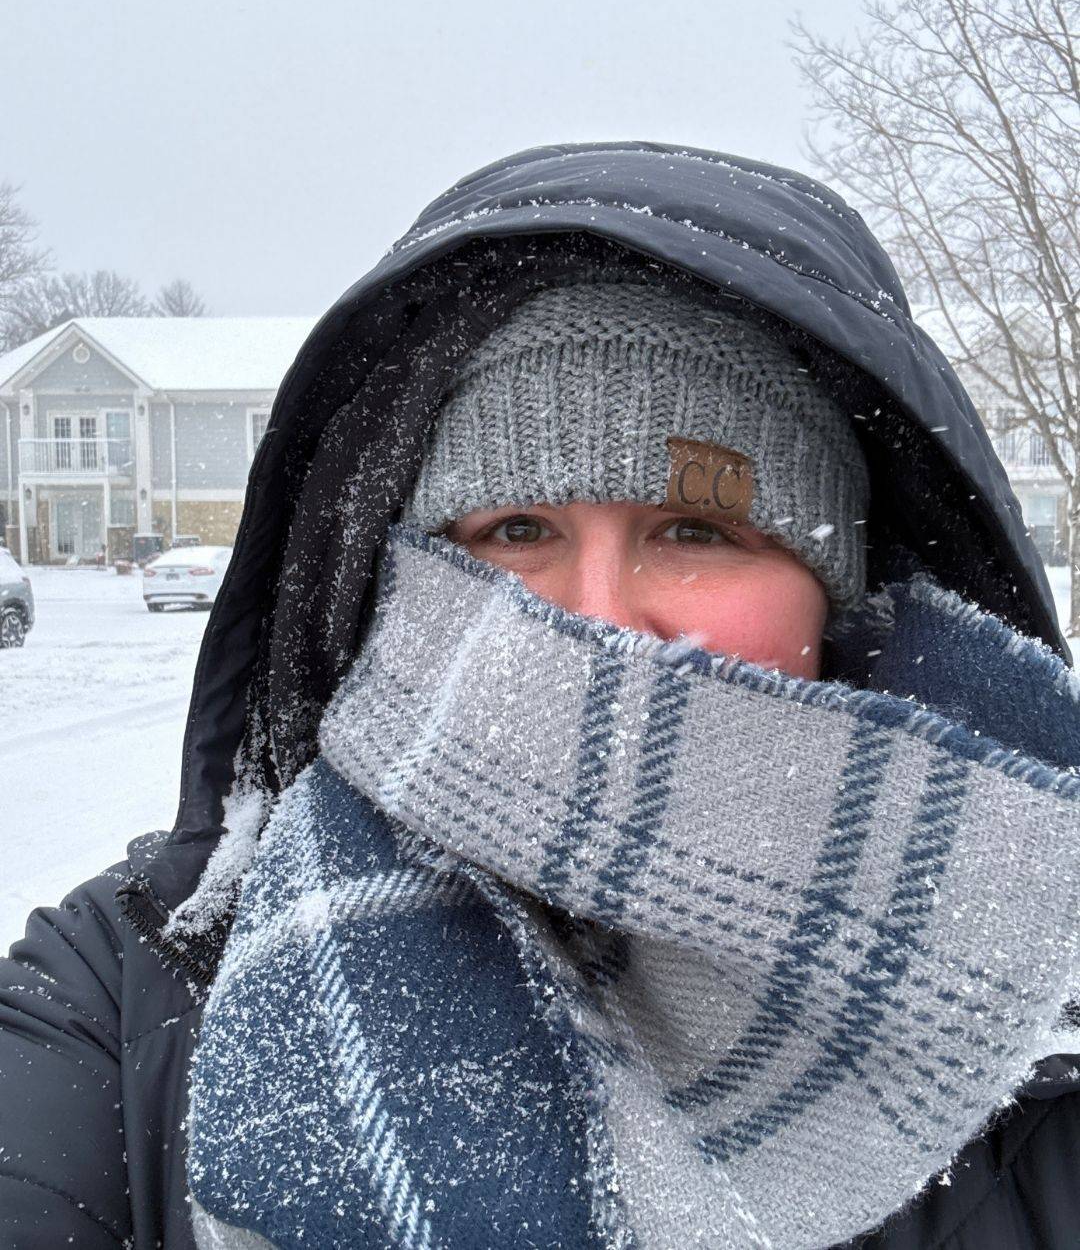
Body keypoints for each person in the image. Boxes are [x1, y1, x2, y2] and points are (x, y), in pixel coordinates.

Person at [2, 142, 1079, 1250]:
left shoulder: (1035, 1033)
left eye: (695, 531)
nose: (597, 621)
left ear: (835, 597)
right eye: (518, 531)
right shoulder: (128, 990)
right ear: (401, 576)